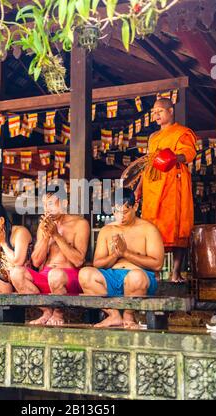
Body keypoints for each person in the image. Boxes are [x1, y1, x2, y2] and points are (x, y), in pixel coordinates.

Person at [79, 188, 164, 329]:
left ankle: (129, 316)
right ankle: (114, 315)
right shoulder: (107, 230)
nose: (120, 217)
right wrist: (115, 255)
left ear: (135, 207)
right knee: (85, 274)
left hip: (139, 280)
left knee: (136, 277)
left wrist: (126, 253)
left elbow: (157, 264)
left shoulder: (148, 229)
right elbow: (98, 263)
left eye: (125, 212)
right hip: (112, 278)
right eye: (116, 212)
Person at [135, 98, 197, 283]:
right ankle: (154, 274)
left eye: (160, 111)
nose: (156, 115)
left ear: (171, 111)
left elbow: (189, 154)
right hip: (153, 185)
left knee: (178, 226)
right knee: (152, 228)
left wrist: (172, 156)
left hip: (173, 184)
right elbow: (148, 164)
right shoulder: (153, 137)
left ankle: (176, 273)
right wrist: (139, 188)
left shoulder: (182, 132)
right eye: (154, 112)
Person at [10, 192, 90, 326]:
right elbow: (36, 261)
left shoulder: (80, 224)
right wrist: (47, 236)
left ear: (64, 204)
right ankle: (47, 311)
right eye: (45, 205)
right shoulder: (44, 227)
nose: (47, 209)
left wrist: (57, 236)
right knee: (16, 272)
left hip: (68, 278)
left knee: (55, 274)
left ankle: (58, 313)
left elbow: (78, 261)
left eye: (51, 204)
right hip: (46, 277)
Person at [0, 202, 32, 294]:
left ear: (1, 220)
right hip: (6, 278)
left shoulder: (20, 232)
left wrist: (3, 243)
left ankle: (6, 306)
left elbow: (18, 262)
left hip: (22, 276)